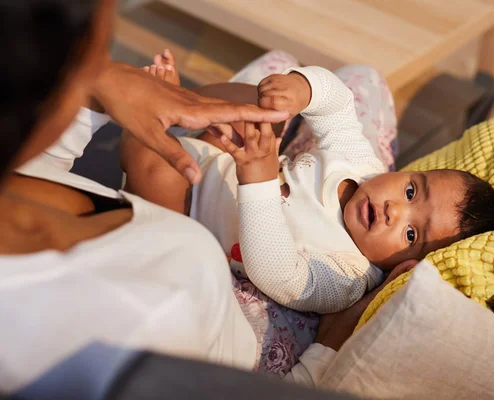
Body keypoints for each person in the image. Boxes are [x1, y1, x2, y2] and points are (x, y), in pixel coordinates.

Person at [0, 0, 323, 395]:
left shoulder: (22, 169)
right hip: (264, 347)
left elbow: (37, 155)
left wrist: (100, 90)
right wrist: (331, 352)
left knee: (283, 75)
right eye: (99, 53)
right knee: (353, 81)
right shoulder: (141, 326)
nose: (108, 61)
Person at [120, 52, 494, 314]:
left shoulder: (348, 276)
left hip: (185, 216)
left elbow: (278, 275)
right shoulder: (363, 165)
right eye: (411, 191)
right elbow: (339, 105)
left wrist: (258, 179)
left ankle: (146, 115)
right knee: (261, 108)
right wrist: (300, 90)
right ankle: (177, 100)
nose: (396, 210)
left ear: (405, 269)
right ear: (409, 172)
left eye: (412, 233)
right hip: (223, 159)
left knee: (152, 168)